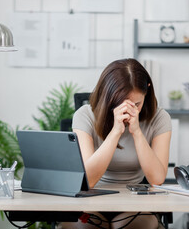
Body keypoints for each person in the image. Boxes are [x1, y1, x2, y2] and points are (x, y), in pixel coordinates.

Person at [62, 58, 172, 229]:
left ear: (147, 92)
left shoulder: (160, 118)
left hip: (135, 202)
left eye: (136, 104)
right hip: (92, 199)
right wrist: (115, 132)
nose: (128, 111)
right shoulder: (84, 115)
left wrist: (136, 132)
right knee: (86, 226)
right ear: (107, 96)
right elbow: (88, 181)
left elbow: (157, 179)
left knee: (130, 226)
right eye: (119, 104)